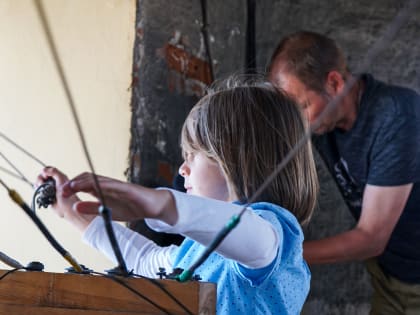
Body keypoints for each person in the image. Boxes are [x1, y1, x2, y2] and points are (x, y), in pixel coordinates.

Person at [37, 77, 319, 315]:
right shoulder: (200, 248)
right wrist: (74, 211)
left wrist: (159, 204)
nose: (182, 169)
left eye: (192, 155)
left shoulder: (275, 235)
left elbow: (256, 241)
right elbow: (145, 261)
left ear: (236, 159)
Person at [268, 30, 420, 315]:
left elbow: (372, 238)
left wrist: (277, 254)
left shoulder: (397, 114)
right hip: (389, 275)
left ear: (334, 82)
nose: (299, 125)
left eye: (302, 107)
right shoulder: (325, 121)